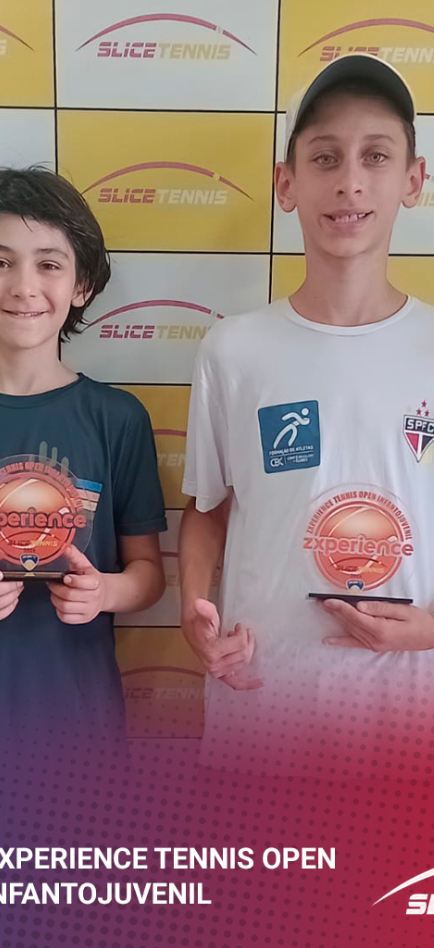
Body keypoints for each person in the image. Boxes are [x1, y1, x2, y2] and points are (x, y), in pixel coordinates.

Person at [180, 54, 434, 779]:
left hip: (406, 726)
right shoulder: (234, 349)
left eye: (375, 155)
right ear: (286, 184)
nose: (350, 181)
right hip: (264, 714)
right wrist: (194, 609)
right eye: (325, 157)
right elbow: (207, 509)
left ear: (413, 180)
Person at [0, 167, 167, 750]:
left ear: (81, 284)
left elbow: (147, 574)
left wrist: (105, 593)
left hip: (79, 737)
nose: (24, 286)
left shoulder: (118, 418)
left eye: (48, 264)